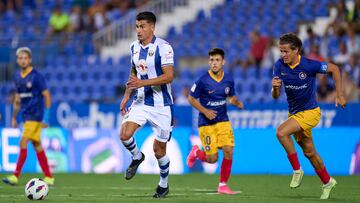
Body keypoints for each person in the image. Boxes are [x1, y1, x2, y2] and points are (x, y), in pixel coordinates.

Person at [272, 33, 346, 199]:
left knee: (281, 132)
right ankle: (328, 182)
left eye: (285, 51)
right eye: (281, 51)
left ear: (296, 50)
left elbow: (334, 69)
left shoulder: (309, 65)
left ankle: (297, 170)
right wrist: (275, 88)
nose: (283, 55)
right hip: (295, 113)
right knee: (310, 152)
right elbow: (275, 96)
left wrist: (339, 94)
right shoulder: (279, 66)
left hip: (311, 112)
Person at [119, 11, 174, 198]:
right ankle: (137, 156)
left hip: (162, 105)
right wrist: (126, 96)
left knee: (159, 151)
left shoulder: (163, 47)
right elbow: (133, 74)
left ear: (152, 27)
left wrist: (142, 83)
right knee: (125, 134)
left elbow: (169, 76)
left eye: (142, 26)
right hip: (141, 101)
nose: (139, 30)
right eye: (137, 26)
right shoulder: (134, 47)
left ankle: (163, 184)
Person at [186, 48, 244, 195]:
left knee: (229, 150)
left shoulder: (229, 79)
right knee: (212, 159)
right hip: (206, 123)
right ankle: (196, 152)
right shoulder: (202, 80)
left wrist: (235, 102)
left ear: (223, 62)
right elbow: (191, 98)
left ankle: (223, 185)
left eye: (217, 60)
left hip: (223, 120)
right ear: (208, 62)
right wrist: (205, 111)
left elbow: (230, 97)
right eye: (211, 60)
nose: (214, 63)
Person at [2, 47, 54, 186]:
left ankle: (15, 176)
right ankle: (49, 176)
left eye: (26, 58)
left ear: (30, 59)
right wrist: (14, 117)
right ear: (17, 60)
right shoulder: (17, 77)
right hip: (26, 116)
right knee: (37, 145)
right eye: (20, 58)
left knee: (23, 142)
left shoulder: (36, 76)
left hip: (35, 115)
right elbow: (18, 99)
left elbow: (47, 95)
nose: (23, 61)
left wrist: (46, 117)